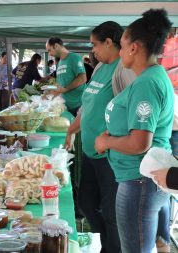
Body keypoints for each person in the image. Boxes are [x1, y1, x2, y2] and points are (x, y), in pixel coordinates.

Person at [95, 9, 173, 253]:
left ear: (134, 47)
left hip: (139, 182)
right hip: (141, 179)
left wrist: (106, 141)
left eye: (122, 45)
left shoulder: (147, 83)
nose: (119, 52)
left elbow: (140, 142)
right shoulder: (150, 77)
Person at [65, 21, 125, 253]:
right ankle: (104, 242)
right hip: (90, 153)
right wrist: (72, 130)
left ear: (109, 42)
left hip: (110, 157)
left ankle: (112, 248)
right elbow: (87, 107)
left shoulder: (123, 70)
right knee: (86, 203)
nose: (93, 50)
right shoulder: (100, 68)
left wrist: (111, 140)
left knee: (111, 213)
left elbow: (129, 114)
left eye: (95, 45)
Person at [46, 37, 87, 116]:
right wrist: (52, 91)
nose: (50, 54)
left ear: (56, 46)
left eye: (49, 50)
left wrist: (66, 89)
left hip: (78, 105)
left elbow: (83, 78)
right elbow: (61, 84)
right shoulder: (60, 62)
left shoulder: (74, 57)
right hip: (66, 105)